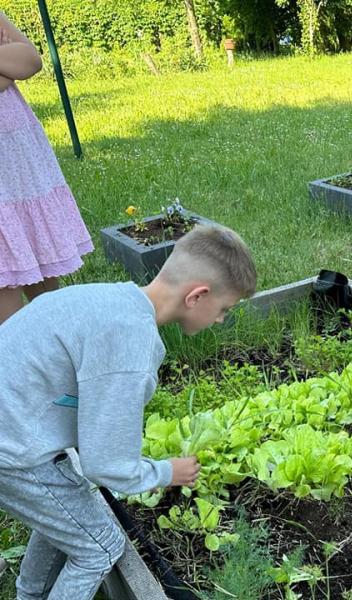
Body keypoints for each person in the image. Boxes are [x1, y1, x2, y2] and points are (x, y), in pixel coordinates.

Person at [0, 225, 257, 599]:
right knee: (99, 546)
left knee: (70, 511)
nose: (220, 319)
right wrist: (169, 471)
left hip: (14, 422)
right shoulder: (129, 345)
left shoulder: (113, 300)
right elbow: (105, 466)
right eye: (223, 309)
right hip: (12, 450)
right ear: (197, 296)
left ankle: (29, 594)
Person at [0, 12, 94, 325]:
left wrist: (11, 71)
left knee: (53, 308)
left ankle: (62, 355)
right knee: (9, 322)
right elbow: (10, 70)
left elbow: (29, 61)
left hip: (19, 161)